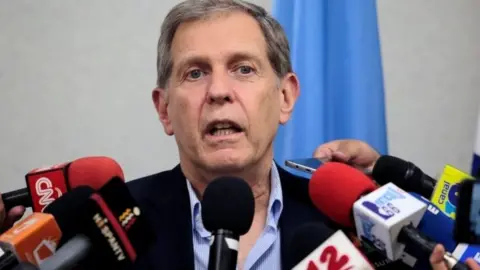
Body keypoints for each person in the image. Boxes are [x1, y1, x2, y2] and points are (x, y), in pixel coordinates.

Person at [0, 0, 477, 269]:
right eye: (194, 74)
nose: (219, 92)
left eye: (243, 69)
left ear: (286, 97)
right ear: (165, 110)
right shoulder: (101, 233)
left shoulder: (354, 225)